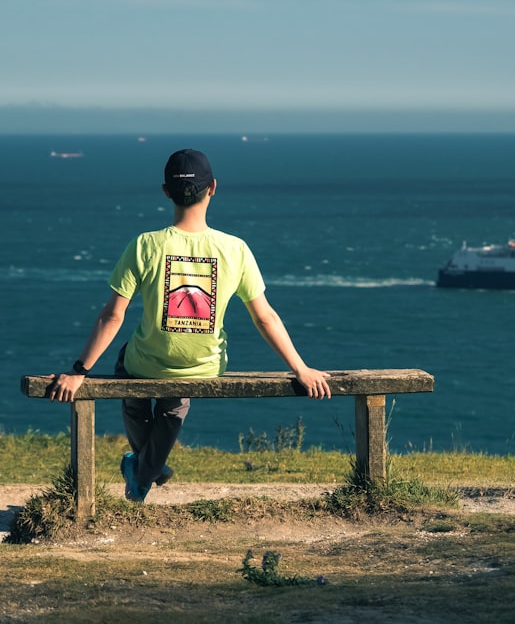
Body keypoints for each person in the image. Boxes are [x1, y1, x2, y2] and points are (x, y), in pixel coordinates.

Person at [46, 148, 331, 502]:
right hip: (203, 366)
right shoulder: (236, 249)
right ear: (213, 187)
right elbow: (265, 316)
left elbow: (112, 316)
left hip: (144, 362)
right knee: (172, 401)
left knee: (130, 380)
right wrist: (300, 368)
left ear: (166, 191)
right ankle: (149, 467)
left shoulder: (145, 245)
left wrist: (79, 370)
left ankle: (146, 468)